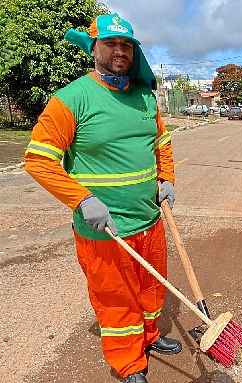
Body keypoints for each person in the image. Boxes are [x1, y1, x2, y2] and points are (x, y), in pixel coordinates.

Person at [24, 13, 181, 383]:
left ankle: (149, 338)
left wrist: (166, 178)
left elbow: (161, 143)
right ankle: (129, 363)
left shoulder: (145, 97)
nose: (119, 51)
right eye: (110, 43)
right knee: (116, 298)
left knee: (152, 289)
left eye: (126, 45)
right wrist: (81, 200)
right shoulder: (71, 99)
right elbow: (38, 160)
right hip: (105, 231)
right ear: (93, 48)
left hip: (150, 220)